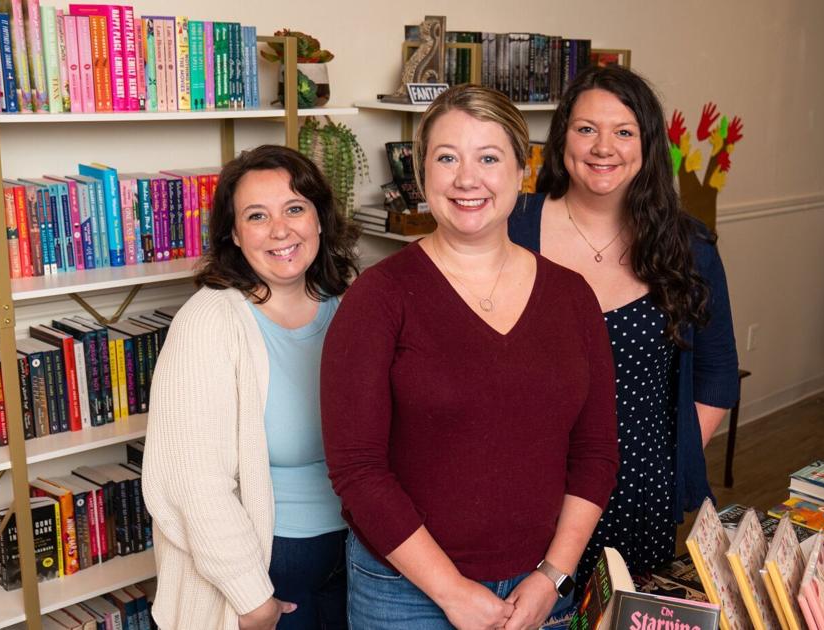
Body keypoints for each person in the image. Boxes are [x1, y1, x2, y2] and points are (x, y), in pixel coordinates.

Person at [321, 85, 620, 630]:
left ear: (522, 171)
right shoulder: (378, 298)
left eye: (488, 158)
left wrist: (552, 575)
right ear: (420, 173)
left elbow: (596, 452)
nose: (467, 179)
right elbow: (358, 471)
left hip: (539, 587)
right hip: (405, 593)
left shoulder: (572, 297)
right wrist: (452, 591)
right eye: (447, 158)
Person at [508, 65, 740, 583]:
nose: (602, 147)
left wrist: (666, 460)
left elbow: (718, 373)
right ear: (562, 136)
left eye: (623, 132)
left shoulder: (689, 247)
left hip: (637, 490)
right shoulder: (512, 228)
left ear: (647, 145)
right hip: (526, 486)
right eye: (586, 128)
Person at [143, 144, 360, 630]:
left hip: (359, 558)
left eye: (295, 208)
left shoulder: (352, 304)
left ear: (320, 220)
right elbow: (190, 479)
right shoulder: (209, 321)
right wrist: (251, 597)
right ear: (234, 235)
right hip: (267, 570)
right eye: (257, 216)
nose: (281, 230)